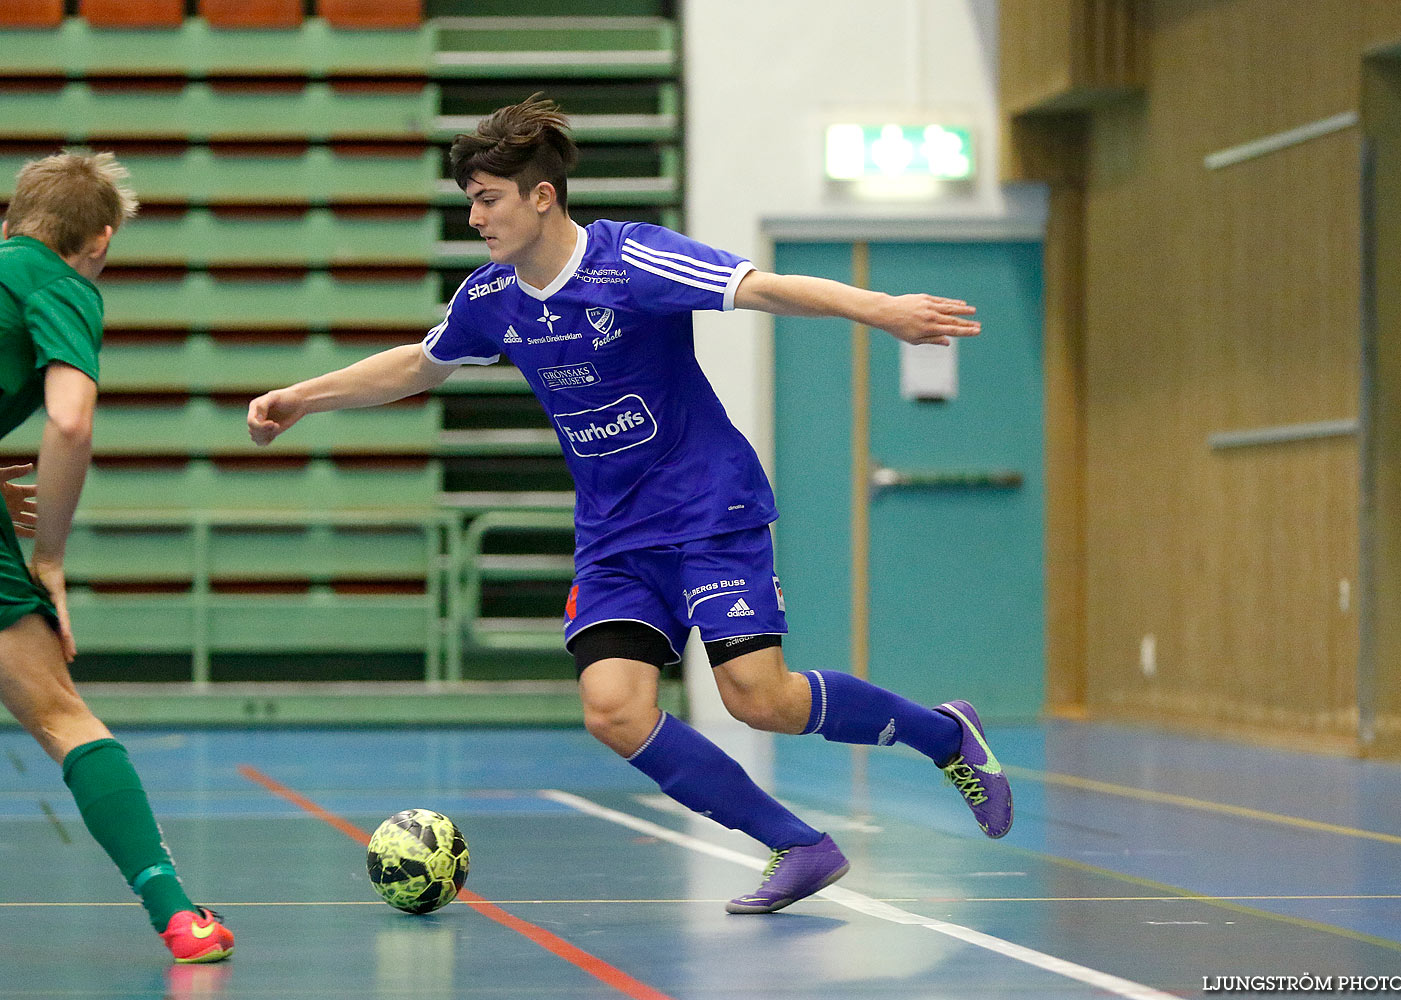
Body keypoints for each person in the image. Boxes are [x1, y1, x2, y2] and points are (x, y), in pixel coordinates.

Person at [247, 96, 1012, 914]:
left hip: (708, 511)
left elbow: (765, 288)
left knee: (760, 699)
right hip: (614, 537)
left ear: (542, 196)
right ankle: (798, 844)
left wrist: (882, 310)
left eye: (488, 198)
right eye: (469, 199)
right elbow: (419, 364)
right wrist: (302, 397)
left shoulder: (632, 260)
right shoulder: (491, 299)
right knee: (614, 711)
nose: (474, 217)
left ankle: (945, 736)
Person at [0, 151, 233, 962]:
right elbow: (68, 422)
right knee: (62, 714)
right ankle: (176, 913)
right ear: (99, 240)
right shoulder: (62, 284)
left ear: (14, 218)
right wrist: (50, 555)